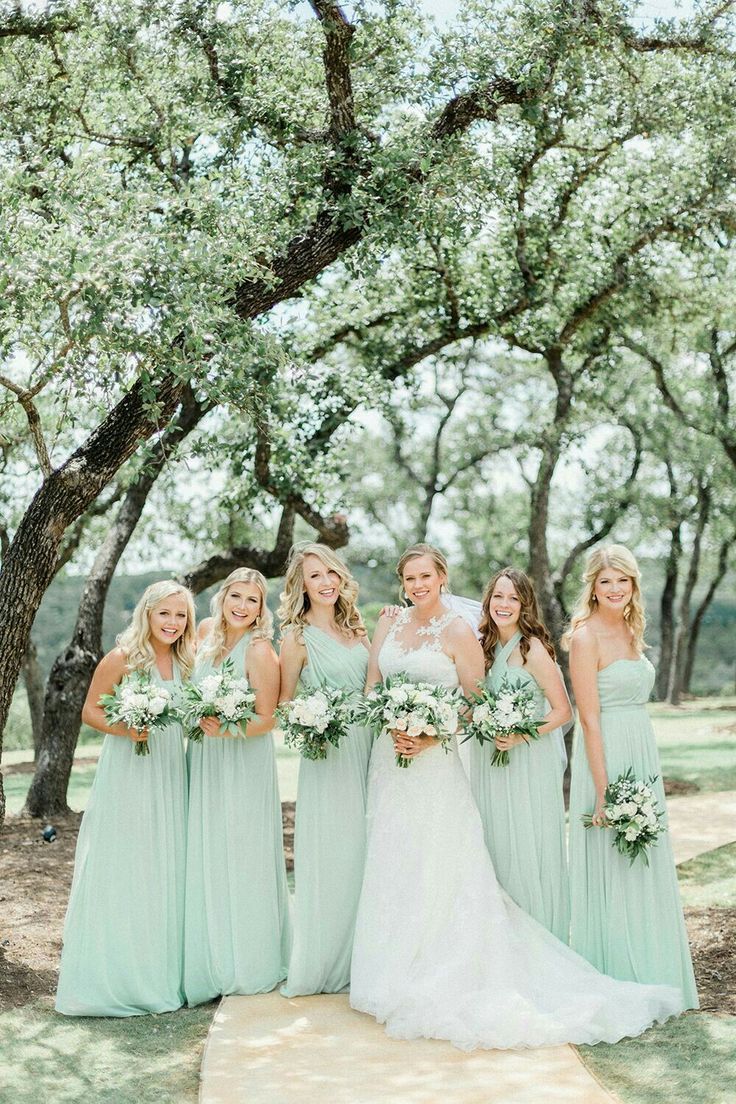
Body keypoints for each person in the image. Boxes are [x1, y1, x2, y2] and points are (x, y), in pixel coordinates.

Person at [350, 543, 682, 1050]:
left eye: (426, 576)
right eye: (409, 578)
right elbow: (375, 685)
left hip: (440, 760)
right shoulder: (401, 626)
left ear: (443, 577)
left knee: (450, 861)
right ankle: (392, 966)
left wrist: (429, 732)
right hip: (389, 760)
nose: (418, 585)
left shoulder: (485, 638)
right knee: (395, 860)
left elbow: (473, 702)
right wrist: (391, 717)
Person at [564, 544, 698, 1010]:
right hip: (606, 752)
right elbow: (589, 718)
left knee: (643, 856)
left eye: (622, 580)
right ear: (593, 588)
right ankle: (614, 965)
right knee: (612, 854)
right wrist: (603, 790)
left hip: (641, 747)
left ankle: (652, 958)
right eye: (606, 581)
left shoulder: (631, 628)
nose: (615, 589)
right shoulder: (585, 638)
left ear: (633, 585)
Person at [56, 580, 194, 1016]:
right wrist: (127, 727)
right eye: (165, 614)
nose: (172, 623)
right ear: (147, 614)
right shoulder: (123, 657)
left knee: (165, 863)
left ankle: (162, 972)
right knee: (129, 861)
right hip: (131, 769)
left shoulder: (186, 661)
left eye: (180, 615)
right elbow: (91, 710)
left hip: (171, 770)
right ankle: (118, 975)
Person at [184, 568, 291, 1005]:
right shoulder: (205, 632)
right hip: (207, 759)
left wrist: (226, 728)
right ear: (223, 596)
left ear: (262, 607)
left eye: (253, 600)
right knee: (209, 849)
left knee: (242, 850)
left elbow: (268, 718)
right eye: (237, 596)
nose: (243, 607)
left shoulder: (262, 649)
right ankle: (209, 956)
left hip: (242, 760)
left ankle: (248, 960)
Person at [279, 543, 374, 996]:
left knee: (367, 851)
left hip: (369, 748)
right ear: (302, 585)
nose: (326, 582)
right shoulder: (295, 638)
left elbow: (374, 689)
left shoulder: (358, 630)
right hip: (327, 752)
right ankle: (324, 959)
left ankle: (366, 956)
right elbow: (283, 705)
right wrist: (314, 719)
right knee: (334, 851)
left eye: (331, 573)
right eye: (315, 576)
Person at [470, 567, 571, 941]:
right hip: (490, 760)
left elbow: (563, 712)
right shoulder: (481, 646)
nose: (505, 604)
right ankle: (502, 941)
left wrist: (520, 735)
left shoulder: (534, 649)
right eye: (498, 596)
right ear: (489, 601)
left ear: (525, 604)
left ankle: (540, 937)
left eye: (513, 597)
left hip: (528, 761)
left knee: (526, 843)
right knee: (496, 844)